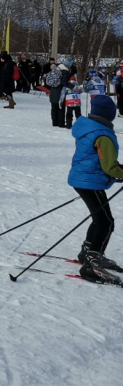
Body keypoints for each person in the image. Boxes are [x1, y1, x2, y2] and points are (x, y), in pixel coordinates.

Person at [69, 94, 123, 285]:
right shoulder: (103, 134)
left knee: (100, 219)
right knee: (105, 222)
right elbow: (109, 166)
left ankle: (88, 253)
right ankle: (92, 264)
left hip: (84, 178)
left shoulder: (88, 127)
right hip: (89, 181)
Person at [45, 62, 68, 128]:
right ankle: (61, 123)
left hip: (52, 92)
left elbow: (47, 83)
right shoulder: (61, 73)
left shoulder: (50, 74)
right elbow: (64, 82)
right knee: (61, 108)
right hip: (60, 92)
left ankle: (54, 122)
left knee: (53, 108)